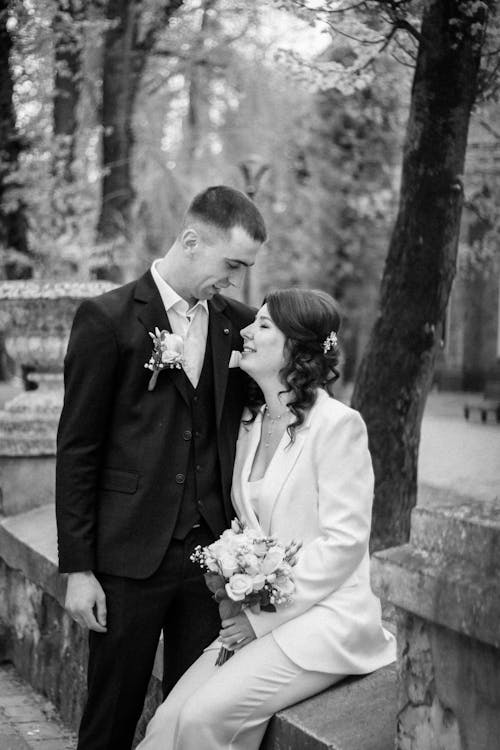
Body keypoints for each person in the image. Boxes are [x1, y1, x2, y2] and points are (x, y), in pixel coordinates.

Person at [137, 287, 397, 750]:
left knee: (202, 719)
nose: (245, 332)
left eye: (262, 325)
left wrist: (260, 618)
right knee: (166, 721)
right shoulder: (248, 425)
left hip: (325, 618)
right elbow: (251, 531)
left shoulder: (338, 426)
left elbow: (345, 544)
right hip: (257, 612)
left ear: (295, 346)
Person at [55, 185, 267, 750]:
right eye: (232, 264)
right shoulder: (107, 319)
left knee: (189, 718)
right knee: (110, 714)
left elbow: (289, 383)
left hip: (212, 562)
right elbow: (77, 449)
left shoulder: (240, 326)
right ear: (192, 241)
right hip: (127, 558)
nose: (236, 281)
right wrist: (78, 568)